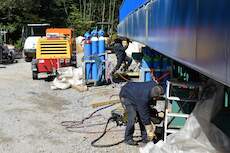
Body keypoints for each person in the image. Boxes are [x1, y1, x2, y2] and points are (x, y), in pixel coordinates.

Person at [119, 81, 164, 145]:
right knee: (133, 117)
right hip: (126, 95)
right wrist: (149, 128)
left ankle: (145, 138)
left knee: (143, 117)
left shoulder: (154, 85)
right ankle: (128, 138)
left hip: (135, 92)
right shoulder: (143, 99)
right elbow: (144, 115)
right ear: (154, 96)